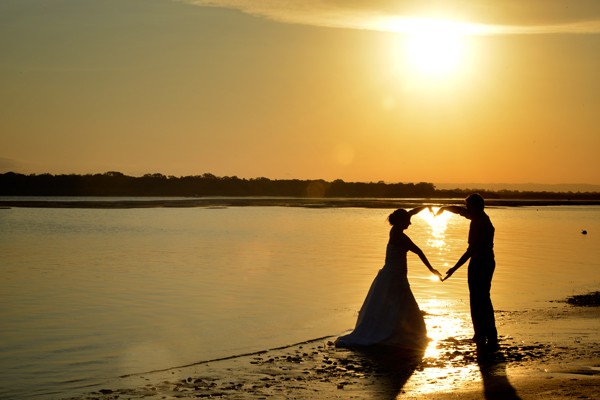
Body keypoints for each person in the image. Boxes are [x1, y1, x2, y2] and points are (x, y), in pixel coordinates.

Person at [335, 206, 442, 349]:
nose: (410, 223)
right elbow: (419, 251)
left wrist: (425, 207)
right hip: (395, 278)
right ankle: (394, 332)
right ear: (401, 221)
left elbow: (411, 213)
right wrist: (432, 270)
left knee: (393, 305)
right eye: (408, 221)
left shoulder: (395, 229)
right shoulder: (401, 237)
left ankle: (395, 330)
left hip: (390, 275)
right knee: (399, 305)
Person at [437, 194, 499, 351]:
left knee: (480, 299)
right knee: (481, 298)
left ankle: (484, 334)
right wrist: (444, 208)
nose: (467, 210)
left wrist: (453, 269)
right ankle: (484, 334)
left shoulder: (480, 223)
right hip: (484, 262)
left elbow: (471, 250)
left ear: (477, 206)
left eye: (469, 206)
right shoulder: (479, 217)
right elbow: (460, 211)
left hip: (481, 263)